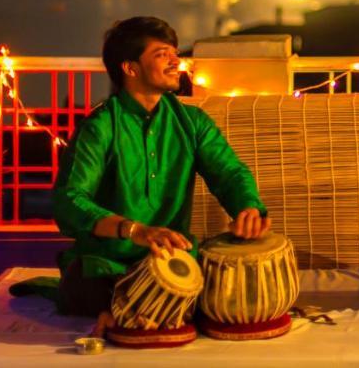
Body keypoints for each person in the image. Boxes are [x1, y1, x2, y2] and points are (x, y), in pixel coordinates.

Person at [52, 16, 269, 318]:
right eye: (161, 54)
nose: (175, 62)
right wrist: (134, 230)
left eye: (174, 53)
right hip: (107, 264)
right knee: (99, 297)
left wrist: (247, 206)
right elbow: (69, 201)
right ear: (130, 68)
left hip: (174, 261)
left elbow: (229, 173)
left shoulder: (192, 122)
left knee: (229, 299)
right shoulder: (101, 126)